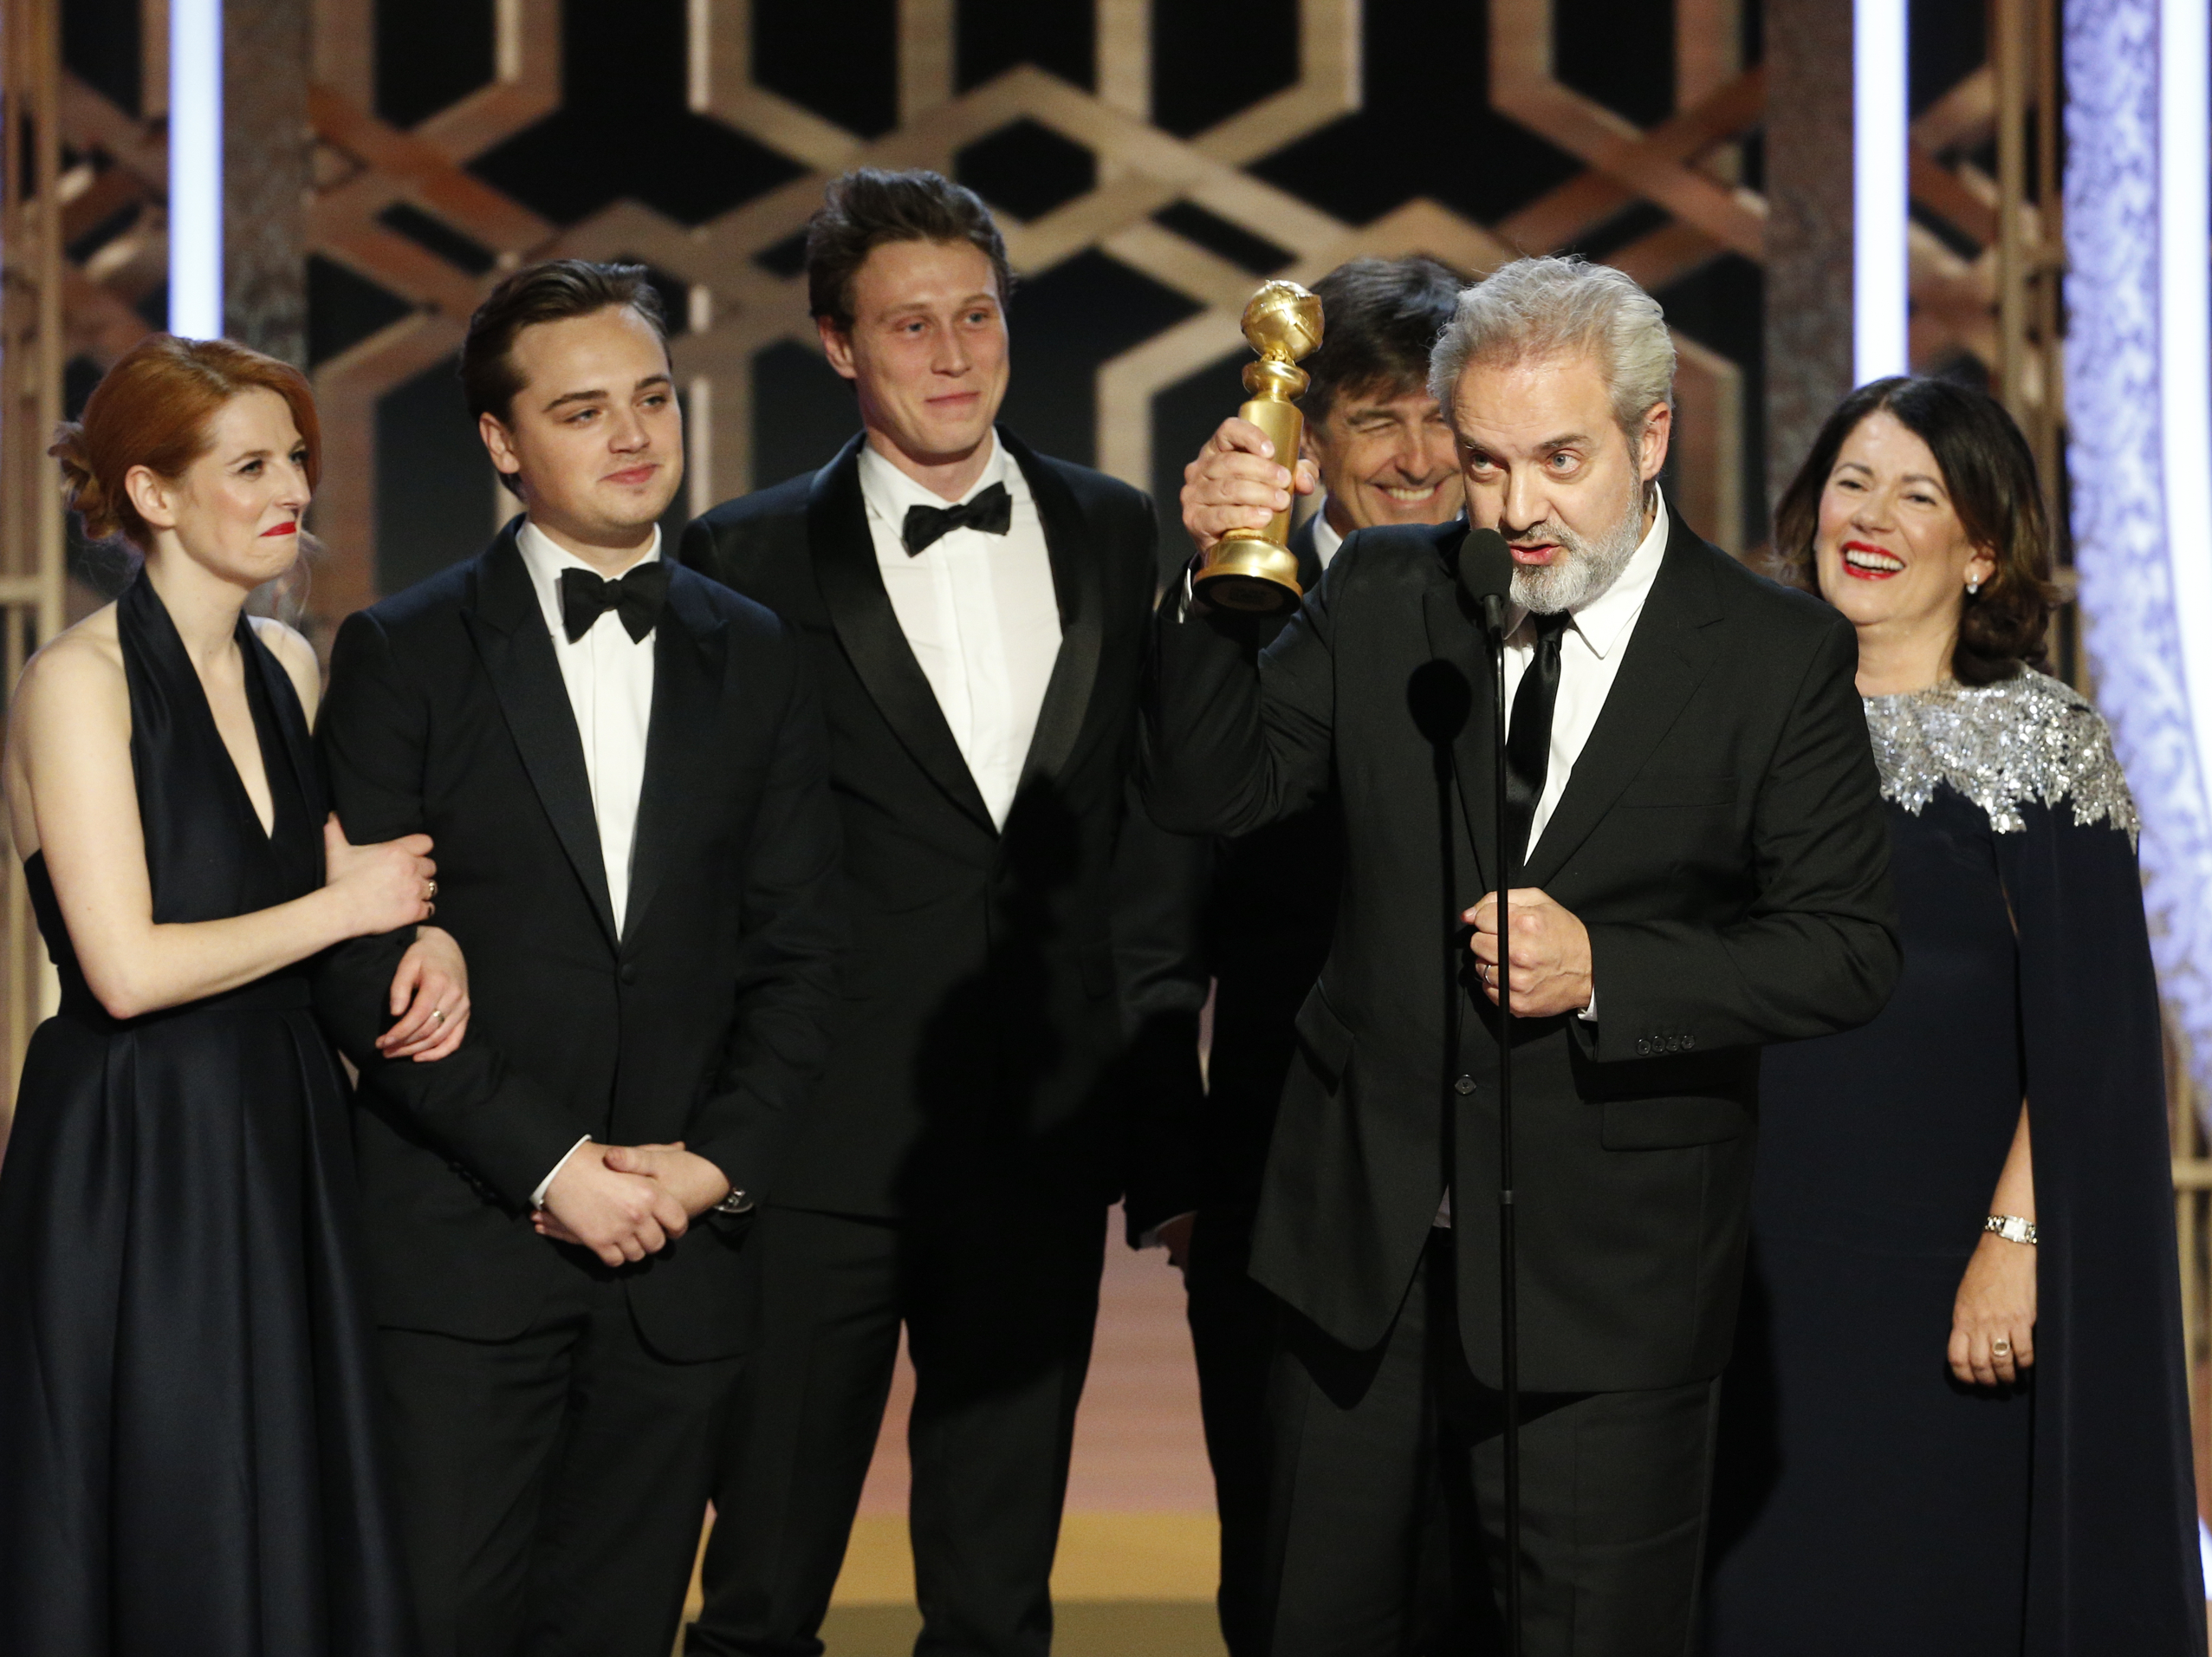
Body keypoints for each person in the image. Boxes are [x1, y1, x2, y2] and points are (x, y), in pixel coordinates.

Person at [1154, 255, 1900, 1654]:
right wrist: (1217, 587)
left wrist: (1609, 968)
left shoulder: (1770, 655)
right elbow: (1214, 791)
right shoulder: (1387, 589)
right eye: (1488, 465)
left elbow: (1845, 950)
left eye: (1559, 460)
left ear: (1652, 433)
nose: (1515, 510)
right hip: (1351, 1261)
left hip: (1604, 1283)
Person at [679, 167, 1196, 1657]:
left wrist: (1154, 1132)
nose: (956, 355)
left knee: (994, 1598)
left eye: (978, 316)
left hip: (1036, 1143)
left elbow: (1146, 852)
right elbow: (710, 868)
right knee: (763, 1587)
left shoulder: (1113, 530)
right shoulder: (746, 556)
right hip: (814, 1148)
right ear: (838, 347)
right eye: (912, 327)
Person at [309, 259, 845, 1657]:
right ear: (501, 443)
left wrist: (707, 1167)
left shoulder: (760, 653)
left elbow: (802, 951)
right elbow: (359, 967)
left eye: (653, 399)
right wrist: (552, 1169)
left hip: (675, 1260)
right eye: (585, 409)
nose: (633, 437)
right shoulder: (400, 649)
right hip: (461, 1262)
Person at [1703, 378, 2206, 1655]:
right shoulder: (1728, 718)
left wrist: (2016, 1239)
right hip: (1736, 1263)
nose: (1868, 518)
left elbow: (2090, 1045)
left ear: (1981, 549)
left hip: (1948, 1276)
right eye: (1851, 482)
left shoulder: (2044, 747)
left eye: (1916, 494)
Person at [0, 333, 470, 1654]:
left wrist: (432, 943)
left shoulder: (289, 667)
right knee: (172, 1502)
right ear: (151, 494)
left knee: (289, 1497)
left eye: (296, 462)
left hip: (280, 1123)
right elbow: (128, 969)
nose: (292, 492)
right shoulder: (75, 685)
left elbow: (345, 904)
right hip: (136, 1147)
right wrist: (347, 907)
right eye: (251, 464)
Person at [1173, 253, 1467, 1657]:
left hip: (1503, 1189)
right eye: (1372, 421)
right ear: (1314, 443)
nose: (1415, 460)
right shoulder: (1242, 613)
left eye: (1437, 419)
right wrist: (1171, 1161)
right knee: (1297, 1577)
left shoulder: (1540, 603)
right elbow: (1146, 903)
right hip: (1278, 1183)